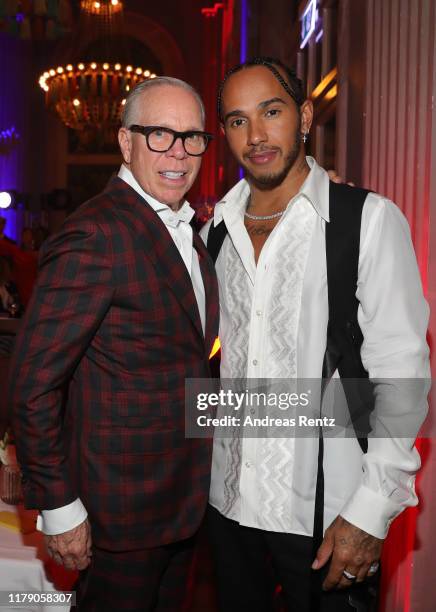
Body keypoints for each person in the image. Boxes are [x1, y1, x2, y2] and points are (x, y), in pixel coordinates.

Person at [201, 57, 429, 611]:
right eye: (236, 120)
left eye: (271, 112)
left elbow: (402, 371)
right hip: (226, 508)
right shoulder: (214, 233)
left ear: (304, 117)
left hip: (329, 517)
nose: (255, 136)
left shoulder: (367, 220)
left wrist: (372, 511)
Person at [9, 77, 219, 612]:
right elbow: (34, 384)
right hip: (116, 515)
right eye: (160, 135)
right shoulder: (97, 234)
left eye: (192, 137)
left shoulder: (188, 232)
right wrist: (58, 505)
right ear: (126, 143)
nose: (179, 152)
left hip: (181, 506)